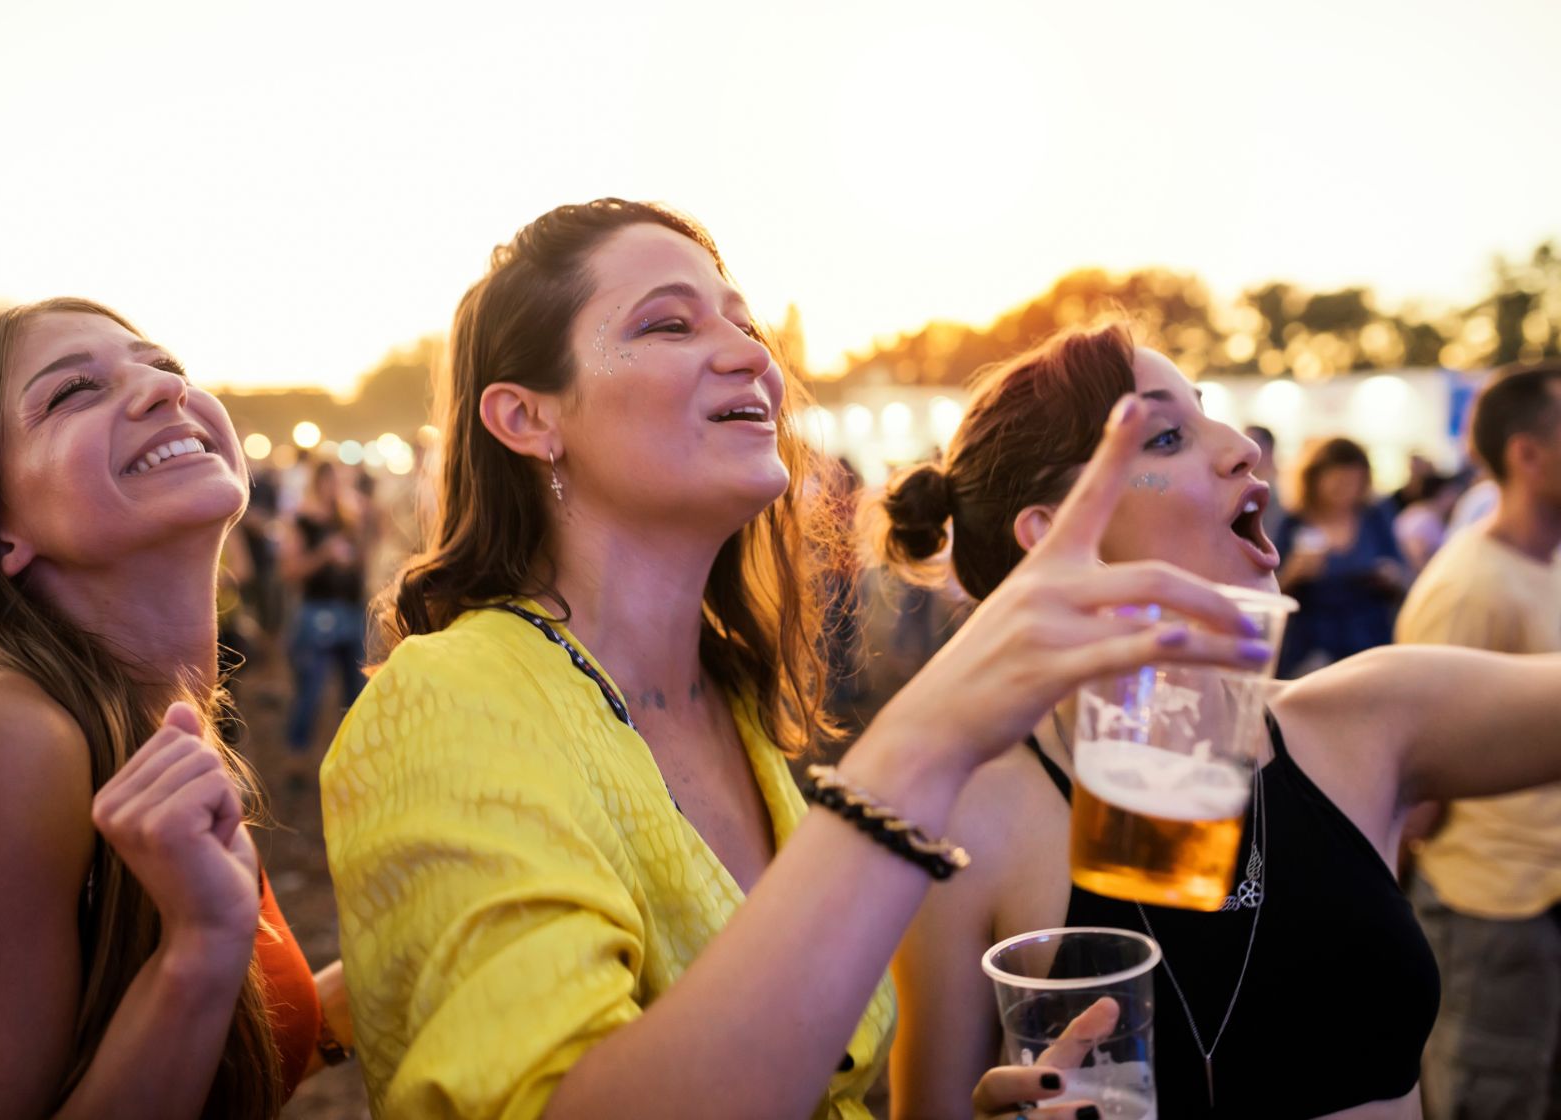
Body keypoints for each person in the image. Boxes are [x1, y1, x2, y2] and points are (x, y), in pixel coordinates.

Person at [318, 200, 1267, 1120]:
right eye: (667, 325)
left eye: (743, 322)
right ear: (527, 419)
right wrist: (921, 747)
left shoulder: (732, 705)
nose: (749, 355)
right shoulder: (454, 702)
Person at [880, 323, 1561, 1120]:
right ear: (1058, 538)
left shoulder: (1369, 718)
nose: (1244, 447)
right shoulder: (967, 824)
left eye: (1211, 416)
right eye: (1167, 436)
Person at [0, 299, 352, 1117]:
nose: (162, 392)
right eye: (73, 392)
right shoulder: (3, 736)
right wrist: (199, 953)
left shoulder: (152, 722)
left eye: (165, 367)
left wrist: (397, 972)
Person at [1395, 361, 1561, 1120]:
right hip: (1486, 912)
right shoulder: (1469, 586)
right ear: (1527, 454)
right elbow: (1415, 779)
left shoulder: (1547, 562)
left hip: (1539, 901)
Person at [1274, 436, 1408, 676]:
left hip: (1369, 638)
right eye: (1338, 482)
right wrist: (1294, 574)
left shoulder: (1374, 516)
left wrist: (1389, 575)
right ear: (1315, 479)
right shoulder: (1294, 521)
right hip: (1311, 645)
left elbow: (1402, 574)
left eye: (1353, 483)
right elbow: (1271, 591)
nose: (1346, 491)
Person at [279, 458, 370, 775]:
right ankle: (297, 756)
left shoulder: (348, 519)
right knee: (311, 690)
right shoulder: (302, 520)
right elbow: (290, 571)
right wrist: (323, 555)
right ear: (316, 483)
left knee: (355, 691)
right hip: (317, 613)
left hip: (351, 611)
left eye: (338, 481)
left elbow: (362, 561)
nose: (334, 487)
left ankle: (352, 758)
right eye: (328, 481)